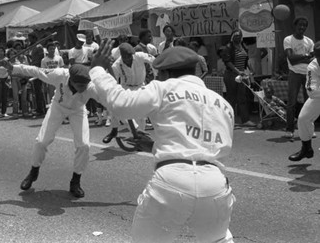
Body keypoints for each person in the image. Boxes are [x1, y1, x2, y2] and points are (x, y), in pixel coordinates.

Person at [90, 42, 235, 243]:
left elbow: (121, 105)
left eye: (158, 73)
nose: (156, 77)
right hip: (215, 184)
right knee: (218, 240)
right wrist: (153, 146)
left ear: (166, 73)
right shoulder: (223, 105)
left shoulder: (164, 87)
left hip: (172, 182)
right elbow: (201, 146)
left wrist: (97, 70)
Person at [3, 60, 100, 198]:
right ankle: (34, 171)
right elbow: (36, 70)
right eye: (79, 85)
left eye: (85, 85)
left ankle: (75, 181)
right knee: (42, 141)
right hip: (57, 107)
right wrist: (15, 68)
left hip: (77, 111)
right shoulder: (59, 74)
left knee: (84, 145)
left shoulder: (91, 87)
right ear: (70, 80)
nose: (83, 88)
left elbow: (110, 102)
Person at [102, 43, 155, 143]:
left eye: (130, 56)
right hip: (126, 88)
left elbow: (155, 61)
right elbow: (109, 79)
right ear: (122, 56)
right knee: (118, 107)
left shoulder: (139, 56)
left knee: (142, 115)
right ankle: (115, 130)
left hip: (140, 87)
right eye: (126, 57)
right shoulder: (117, 65)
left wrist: (157, 75)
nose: (129, 59)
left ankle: (141, 137)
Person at [283, 17, 315, 138]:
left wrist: (300, 58)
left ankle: (308, 129)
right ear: (294, 26)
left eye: (304, 26)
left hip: (308, 74)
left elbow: (313, 60)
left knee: (310, 102)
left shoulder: (309, 41)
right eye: (299, 25)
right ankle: (289, 129)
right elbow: (291, 59)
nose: (302, 28)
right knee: (292, 103)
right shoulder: (288, 39)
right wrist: (306, 56)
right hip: (294, 73)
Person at [289, 41, 320, 162]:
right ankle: (306, 149)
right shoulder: (313, 66)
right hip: (318, 96)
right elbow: (311, 91)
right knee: (303, 119)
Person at [221, 28, 255, 126]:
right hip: (231, 75)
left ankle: (245, 120)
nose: (238, 38)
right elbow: (228, 62)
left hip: (242, 75)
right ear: (232, 37)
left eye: (239, 36)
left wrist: (251, 69)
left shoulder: (243, 46)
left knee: (242, 98)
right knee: (231, 98)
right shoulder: (228, 48)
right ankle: (229, 120)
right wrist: (238, 72)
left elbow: (246, 60)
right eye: (236, 36)